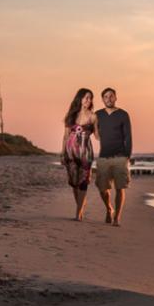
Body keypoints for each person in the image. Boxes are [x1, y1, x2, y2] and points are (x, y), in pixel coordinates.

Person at [94, 87, 132, 226]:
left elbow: (128, 136)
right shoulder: (97, 114)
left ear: (115, 98)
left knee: (120, 188)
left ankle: (117, 218)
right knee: (102, 188)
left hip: (120, 156)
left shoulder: (123, 114)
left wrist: (127, 155)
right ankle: (109, 208)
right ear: (102, 99)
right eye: (105, 97)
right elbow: (92, 130)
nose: (108, 99)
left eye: (111, 96)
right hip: (104, 156)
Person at [62, 88, 99, 221]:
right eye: (86, 97)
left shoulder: (93, 116)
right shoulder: (71, 115)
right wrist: (63, 154)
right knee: (74, 182)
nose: (88, 100)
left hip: (86, 153)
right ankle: (80, 206)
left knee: (83, 181)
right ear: (80, 99)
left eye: (90, 98)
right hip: (70, 152)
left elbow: (97, 136)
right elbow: (65, 136)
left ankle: (78, 213)